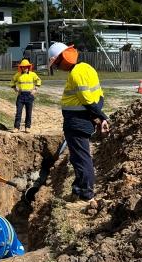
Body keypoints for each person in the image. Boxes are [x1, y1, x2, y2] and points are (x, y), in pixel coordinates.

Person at [48, 42, 109, 204]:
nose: (58, 68)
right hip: (83, 120)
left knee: (81, 158)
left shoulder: (76, 73)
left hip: (76, 123)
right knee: (77, 157)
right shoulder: (87, 68)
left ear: (62, 58)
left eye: (57, 64)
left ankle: (86, 194)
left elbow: (87, 100)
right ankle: (79, 187)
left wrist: (102, 117)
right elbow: (99, 97)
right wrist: (98, 117)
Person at [10, 59, 42, 133]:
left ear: (29, 67)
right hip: (21, 96)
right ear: (21, 67)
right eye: (23, 67)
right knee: (18, 112)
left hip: (29, 96)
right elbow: (12, 81)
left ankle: (27, 127)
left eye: (26, 67)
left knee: (28, 113)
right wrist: (15, 89)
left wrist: (35, 89)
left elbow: (38, 80)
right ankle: (16, 127)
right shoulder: (18, 74)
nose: (25, 68)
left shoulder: (32, 74)